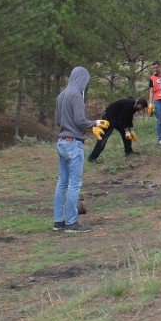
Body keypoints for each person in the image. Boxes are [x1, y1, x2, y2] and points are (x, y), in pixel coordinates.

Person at [53, 66, 106, 233]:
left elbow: (57, 121)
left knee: (62, 183)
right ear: (82, 79)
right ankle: (72, 223)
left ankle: (58, 221)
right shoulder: (76, 95)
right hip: (73, 144)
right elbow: (81, 120)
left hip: (62, 142)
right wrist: (95, 124)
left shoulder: (61, 95)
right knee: (74, 184)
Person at [87, 98, 148, 163]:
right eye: (142, 108)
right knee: (103, 138)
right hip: (109, 118)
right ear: (140, 105)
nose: (141, 110)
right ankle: (92, 158)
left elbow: (129, 119)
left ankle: (128, 151)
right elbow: (123, 118)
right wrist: (127, 131)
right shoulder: (129, 104)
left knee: (126, 134)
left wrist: (131, 131)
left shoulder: (134, 107)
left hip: (117, 119)